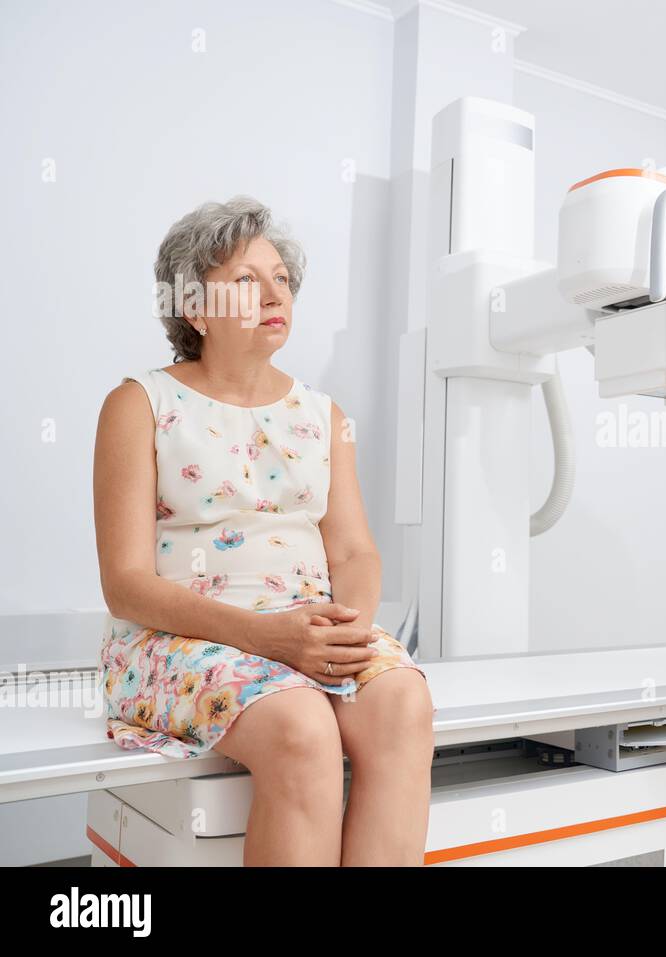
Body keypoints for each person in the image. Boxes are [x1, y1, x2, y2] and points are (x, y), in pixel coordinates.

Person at [92, 196, 434, 866]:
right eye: (246, 280)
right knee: (303, 725)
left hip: (304, 629)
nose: (274, 291)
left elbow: (355, 551)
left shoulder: (325, 415)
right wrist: (268, 637)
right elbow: (125, 584)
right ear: (195, 308)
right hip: (181, 638)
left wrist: (342, 633)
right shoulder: (139, 404)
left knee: (402, 701)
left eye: (281, 277)